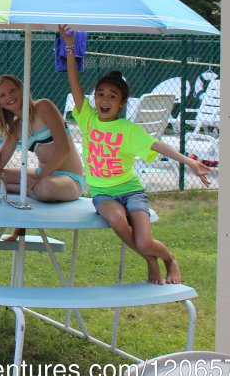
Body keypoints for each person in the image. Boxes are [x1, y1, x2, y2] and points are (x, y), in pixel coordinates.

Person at [61, 25, 211, 284]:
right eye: (100, 94)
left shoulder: (128, 130)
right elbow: (74, 82)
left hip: (131, 191)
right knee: (119, 223)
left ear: (121, 103)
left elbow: (159, 146)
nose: (104, 100)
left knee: (145, 240)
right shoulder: (87, 119)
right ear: (94, 99)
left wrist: (190, 162)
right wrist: (70, 47)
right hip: (103, 193)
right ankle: (150, 261)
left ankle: (169, 258)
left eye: (112, 96)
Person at [0, 74, 86, 203]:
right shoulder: (16, 127)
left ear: (21, 89)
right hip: (41, 174)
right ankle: (26, 188)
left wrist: (40, 178)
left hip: (69, 178)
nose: (9, 96)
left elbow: (64, 148)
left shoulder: (43, 106)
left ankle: (13, 188)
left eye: (12, 90)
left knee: (46, 188)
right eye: (2, 95)